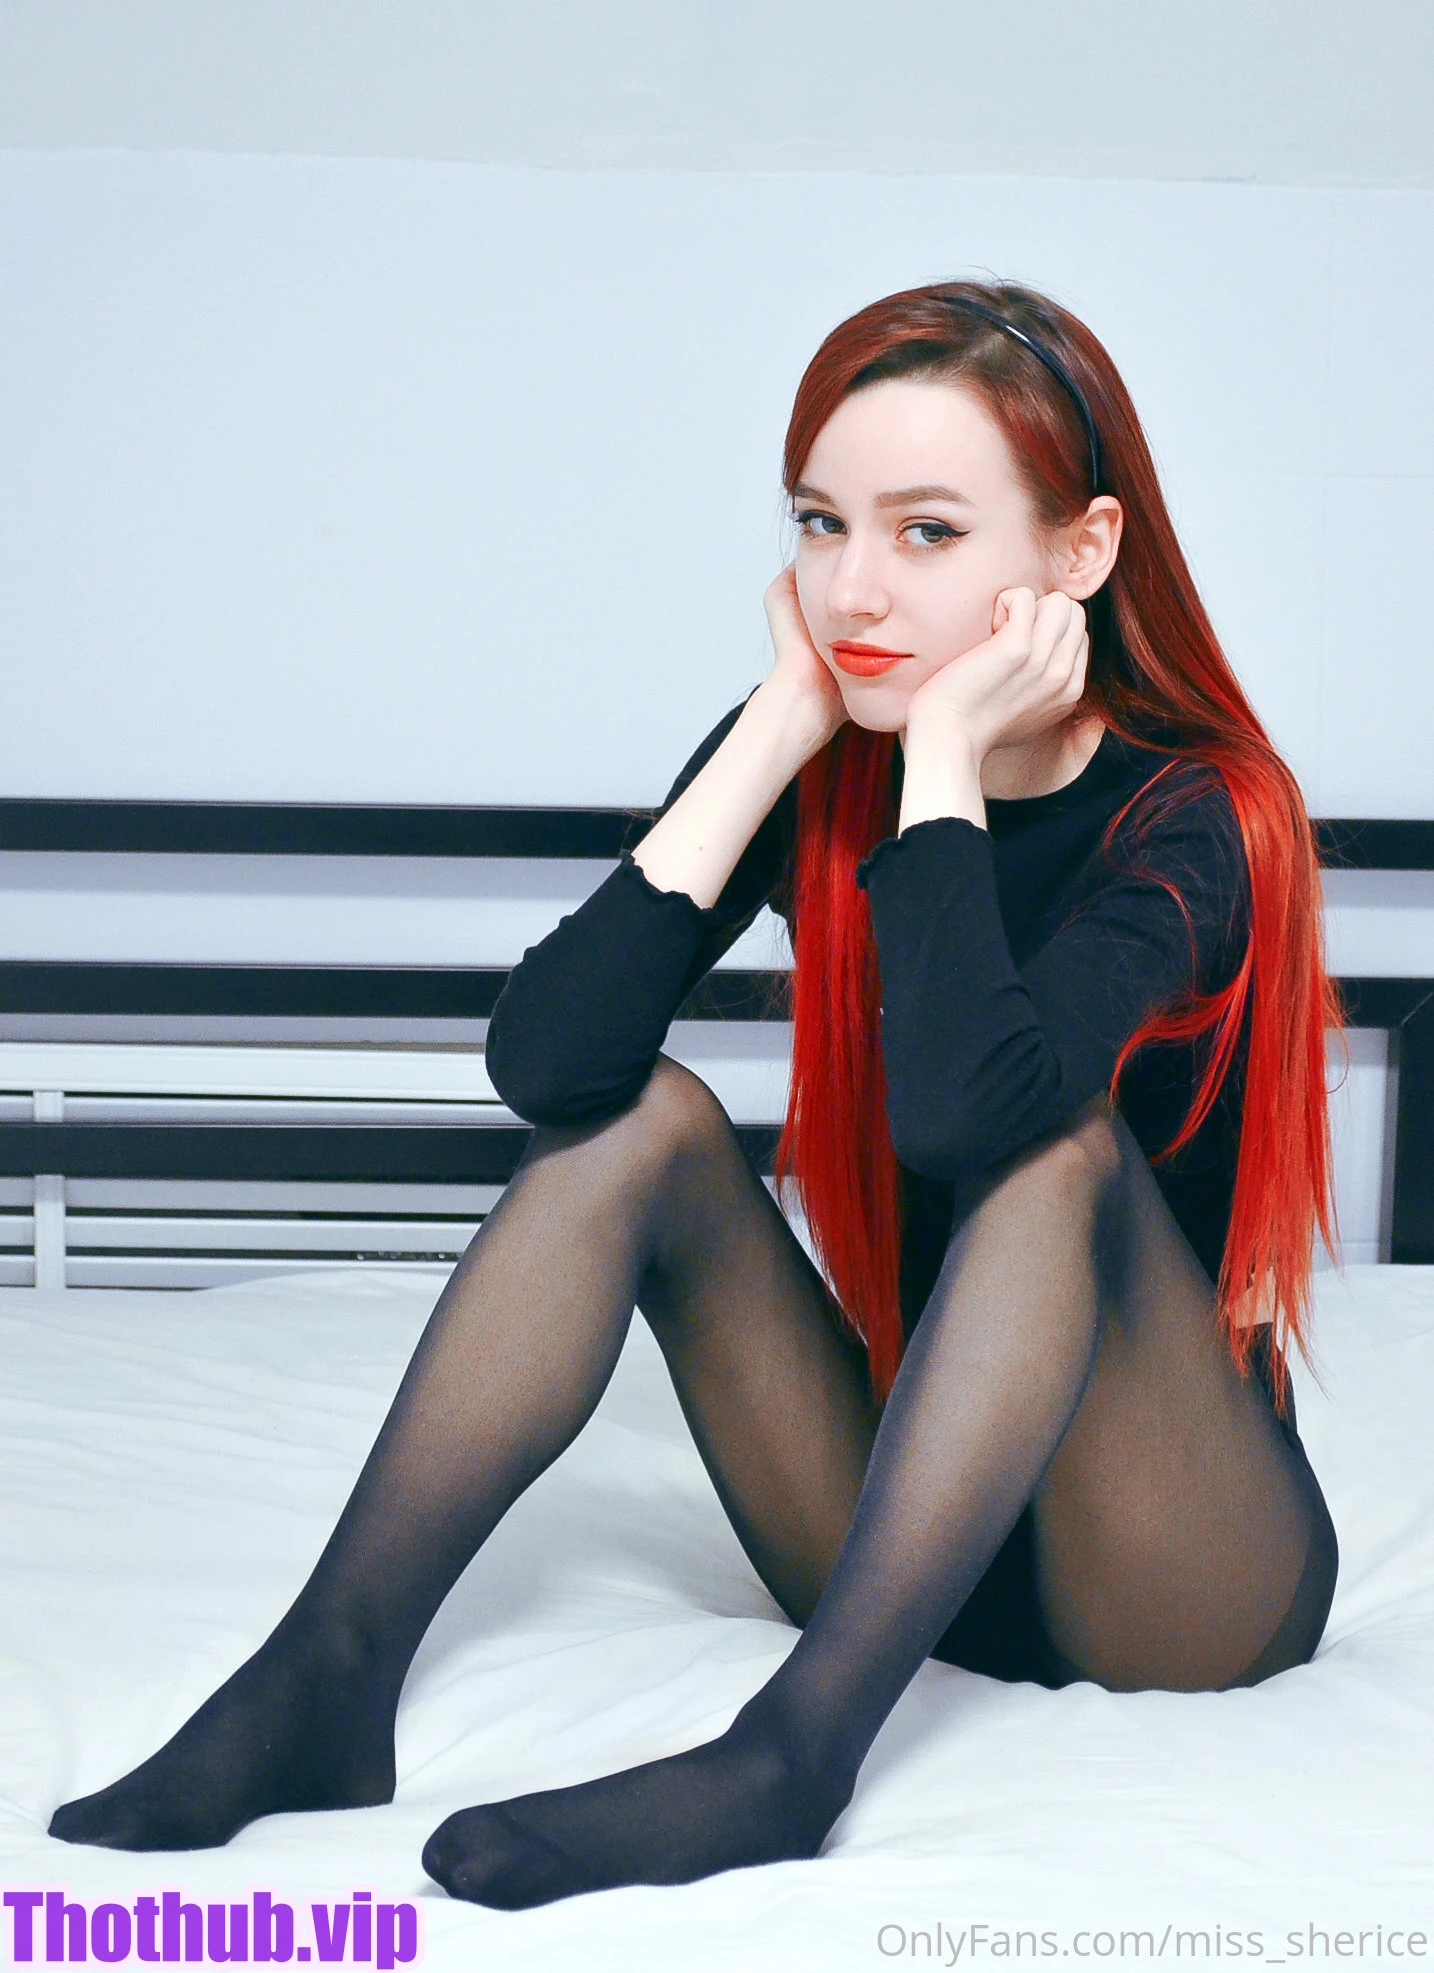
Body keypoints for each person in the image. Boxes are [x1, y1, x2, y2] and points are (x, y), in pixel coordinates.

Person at [49, 278, 1341, 1911]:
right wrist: (779, 728)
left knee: (1051, 1148)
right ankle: (327, 1675)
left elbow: (970, 1110)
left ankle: (791, 1754)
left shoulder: (1199, 816)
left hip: (1172, 1566)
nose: (852, 586)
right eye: (819, 523)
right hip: (908, 1528)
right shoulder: (821, 747)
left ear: (1078, 555)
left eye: (927, 533)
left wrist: (941, 758)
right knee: (642, 1118)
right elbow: (549, 1071)